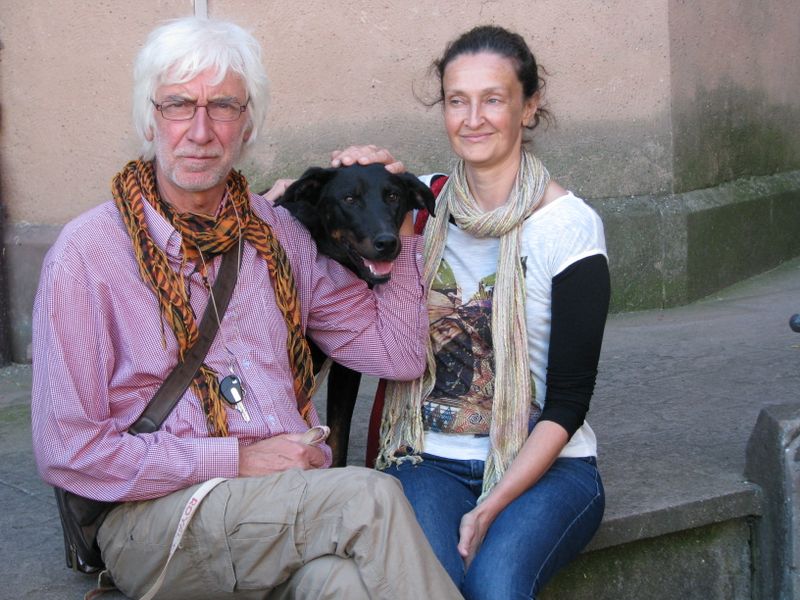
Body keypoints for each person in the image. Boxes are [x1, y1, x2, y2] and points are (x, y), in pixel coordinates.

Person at [30, 16, 462, 600]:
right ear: (149, 119)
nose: (200, 130)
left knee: (346, 586)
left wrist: (396, 217)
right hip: (154, 519)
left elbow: (398, 356)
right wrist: (233, 460)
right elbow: (69, 451)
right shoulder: (87, 254)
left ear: (248, 123)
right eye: (178, 104)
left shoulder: (277, 234)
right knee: (370, 497)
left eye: (223, 106)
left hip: (280, 504)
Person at [334, 24, 610, 600]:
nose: (473, 118)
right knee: (429, 585)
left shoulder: (569, 228)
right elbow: (322, 224)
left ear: (528, 107)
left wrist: (492, 505)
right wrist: (353, 170)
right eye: (458, 101)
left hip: (548, 468)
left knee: (496, 584)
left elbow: (569, 401)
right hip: (424, 459)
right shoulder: (414, 207)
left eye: (493, 99)